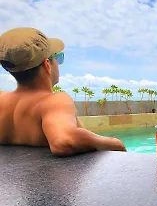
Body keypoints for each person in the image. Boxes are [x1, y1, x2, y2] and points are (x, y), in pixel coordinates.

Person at [0, 27, 126, 156]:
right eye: (58, 58)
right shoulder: (52, 101)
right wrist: (115, 143)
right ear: (47, 65)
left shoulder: (2, 100)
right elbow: (64, 141)